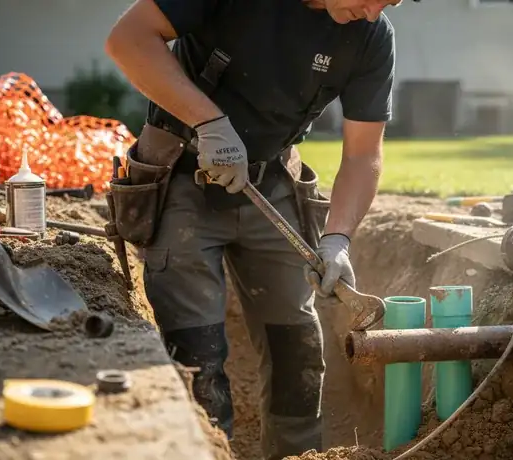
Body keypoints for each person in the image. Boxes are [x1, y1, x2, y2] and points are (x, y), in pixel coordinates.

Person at [104, 0, 406, 458]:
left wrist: (338, 238)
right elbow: (127, 39)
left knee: (297, 354)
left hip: (271, 183)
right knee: (196, 358)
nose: (373, 12)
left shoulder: (370, 35)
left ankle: (295, 454)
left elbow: (364, 154)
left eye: (390, 3)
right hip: (181, 179)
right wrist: (208, 120)